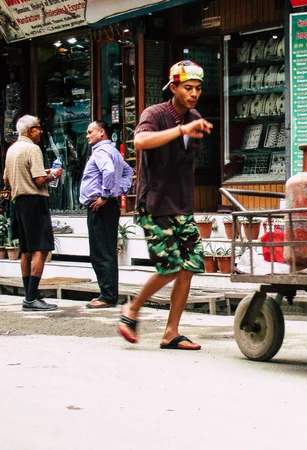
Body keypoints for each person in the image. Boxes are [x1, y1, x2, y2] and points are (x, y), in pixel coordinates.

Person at [117, 60, 213, 350]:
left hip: (182, 202)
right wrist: (181, 131)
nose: (193, 93)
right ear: (173, 88)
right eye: (187, 88)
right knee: (170, 266)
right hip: (155, 202)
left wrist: (189, 130)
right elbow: (140, 142)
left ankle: (171, 332)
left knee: (189, 266)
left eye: (197, 88)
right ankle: (131, 309)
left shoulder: (194, 116)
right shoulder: (155, 113)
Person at [2, 115, 64, 311]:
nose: (41, 131)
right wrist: (52, 174)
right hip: (34, 201)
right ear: (30, 130)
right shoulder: (33, 148)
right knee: (41, 248)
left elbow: (6, 179)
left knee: (26, 249)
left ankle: (30, 293)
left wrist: (38, 174)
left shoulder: (12, 150)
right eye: (38, 128)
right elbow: (38, 180)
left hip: (18, 202)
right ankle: (31, 297)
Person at [79, 120, 133, 309]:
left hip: (100, 206)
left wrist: (106, 195)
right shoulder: (113, 151)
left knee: (100, 251)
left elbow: (109, 171)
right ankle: (108, 293)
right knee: (106, 250)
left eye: (90, 132)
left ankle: (107, 295)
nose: (87, 136)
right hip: (107, 205)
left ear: (101, 132)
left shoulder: (101, 152)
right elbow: (129, 171)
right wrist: (120, 189)